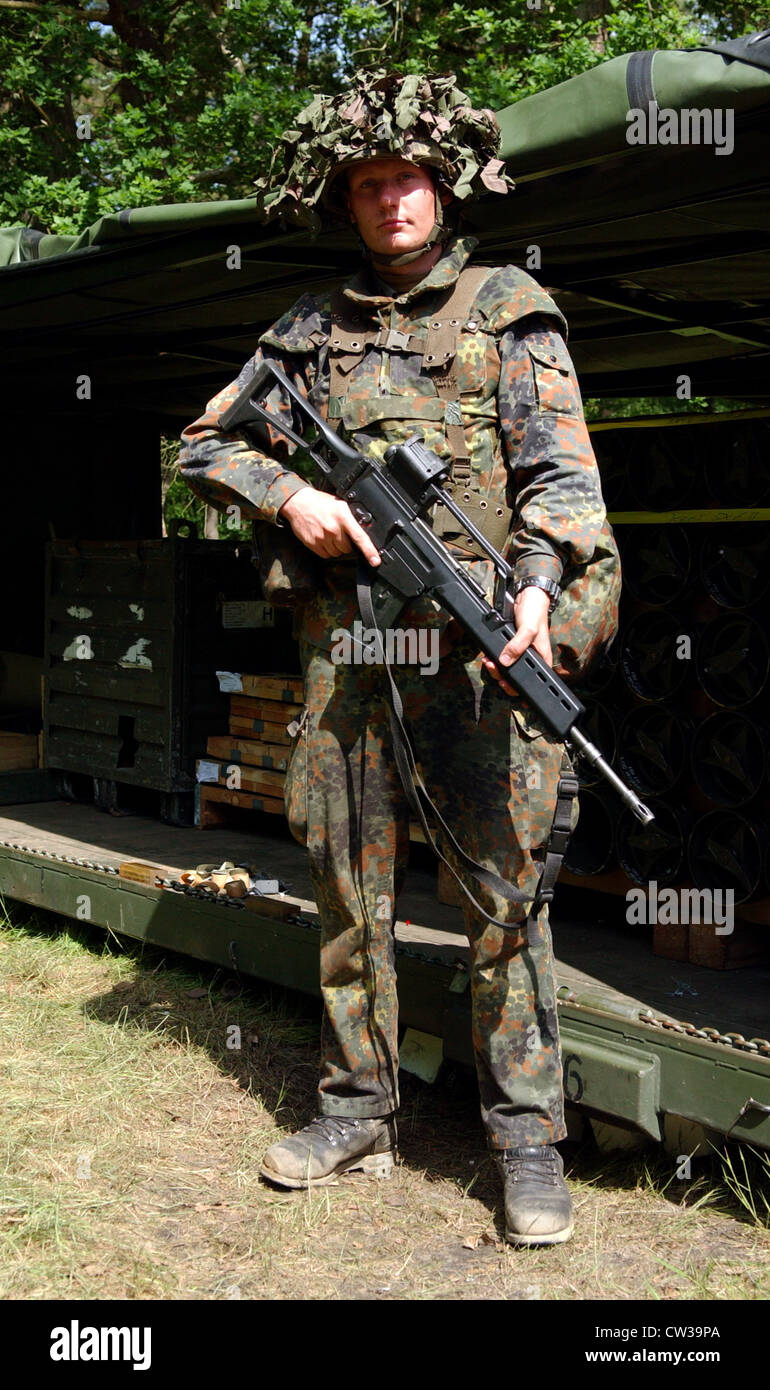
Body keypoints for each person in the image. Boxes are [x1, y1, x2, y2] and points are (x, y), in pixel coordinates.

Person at [179, 71, 618, 1246]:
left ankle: (525, 1141)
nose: (388, 201)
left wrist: (532, 590)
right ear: (348, 202)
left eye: (405, 180)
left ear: (442, 186)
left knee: (501, 902)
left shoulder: (506, 307)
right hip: (348, 660)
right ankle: (356, 1104)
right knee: (344, 889)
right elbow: (203, 442)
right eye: (366, 185)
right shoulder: (304, 331)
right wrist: (291, 498)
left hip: (473, 654)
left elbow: (565, 489)